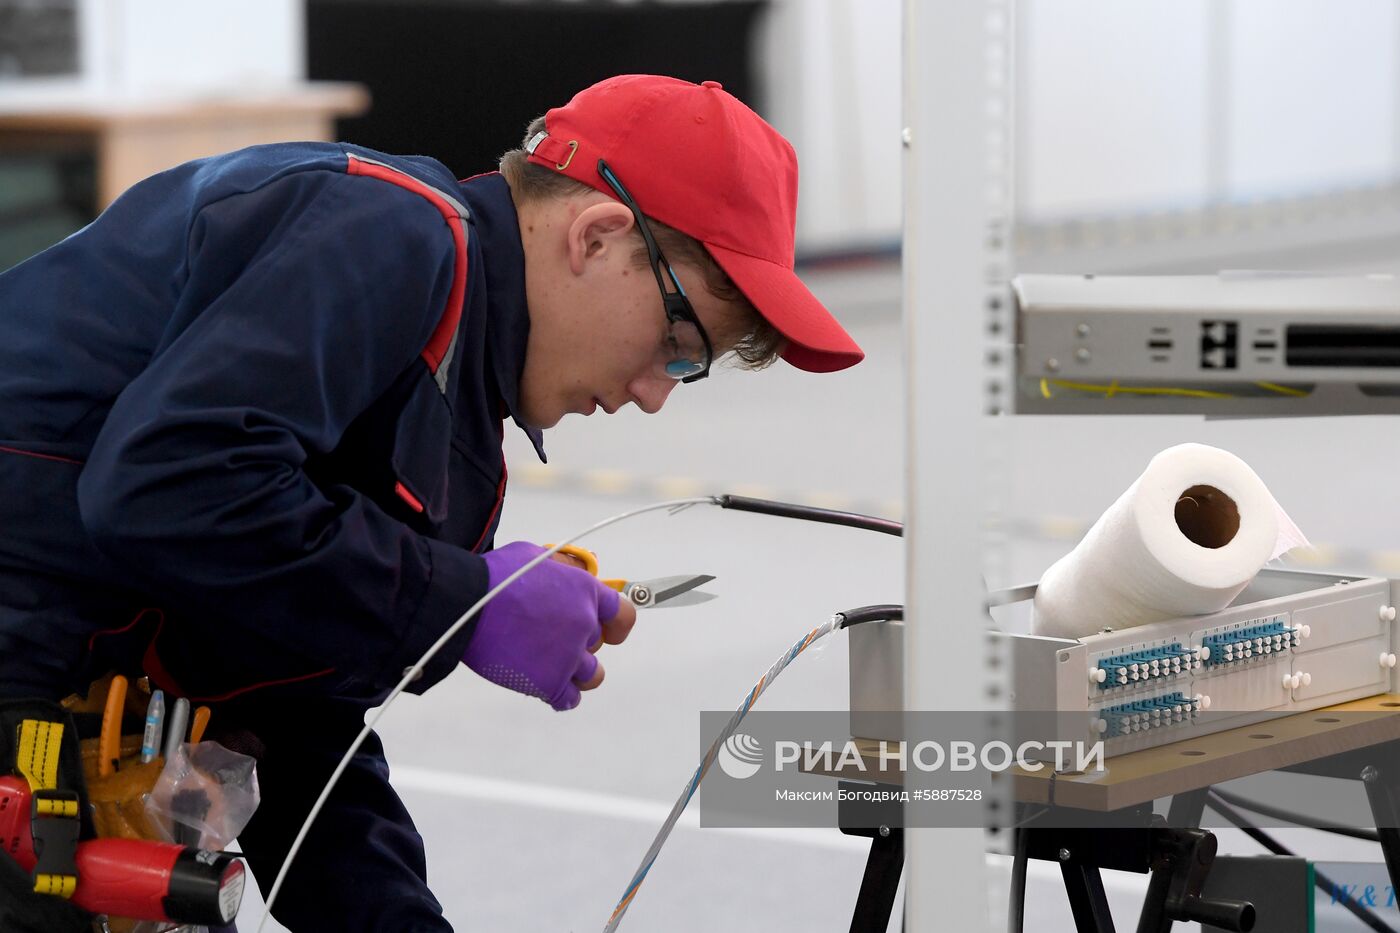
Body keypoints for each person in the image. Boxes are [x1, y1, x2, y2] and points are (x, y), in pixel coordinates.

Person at [0, 74, 863, 930]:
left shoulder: (456, 429)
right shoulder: (388, 234)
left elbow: (290, 707)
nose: (655, 393)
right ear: (596, 237)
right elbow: (165, 486)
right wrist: (460, 600)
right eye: (677, 346)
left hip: (76, 694)